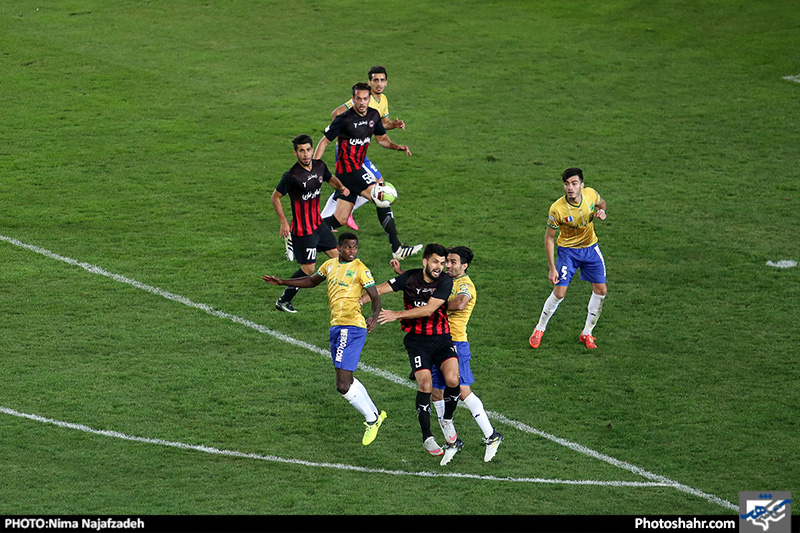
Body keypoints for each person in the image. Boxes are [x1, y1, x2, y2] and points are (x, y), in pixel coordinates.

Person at [262, 232, 387, 446]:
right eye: (348, 247)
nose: (352, 251)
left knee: (342, 384)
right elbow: (311, 281)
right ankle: (375, 413)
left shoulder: (361, 269)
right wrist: (282, 281)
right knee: (347, 379)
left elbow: (375, 296)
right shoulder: (329, 265)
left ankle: (372, 419)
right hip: (337, 327)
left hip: (351, 326)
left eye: (355, 248)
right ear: (339, 248)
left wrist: (374, 317)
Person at [390, 247, 503, 462]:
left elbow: (460, 304)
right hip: (434, 340)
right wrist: (402, 274)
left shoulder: (465, 285)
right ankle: (452, 441)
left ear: (464, 266)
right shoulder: (442, 280)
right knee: (435, 392)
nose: (448, 266)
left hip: (456, 342)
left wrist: (435, 306)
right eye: (446, 262)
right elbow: (421, 288)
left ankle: (491, 435)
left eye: (453, 262)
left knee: (462, 390)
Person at [366, 244, 464, 465]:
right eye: (436, 262)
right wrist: (356, 300)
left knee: (452, 379)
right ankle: (427, 437)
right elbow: (379, 289)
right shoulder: (409, 278)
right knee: (425, 386)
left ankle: (447, 420)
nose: (440, 266)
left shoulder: (445, 281)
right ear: (425, 262)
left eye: (443, 262)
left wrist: (396, 315)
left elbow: (430, 309)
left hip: (441, 339)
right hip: (417, 342)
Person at [314, 82, 422, 261]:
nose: (362, 102)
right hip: (347, 171)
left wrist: (397, 147)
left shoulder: (374, 115)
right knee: (382, 197)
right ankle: (397, 248)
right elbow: (324, 141)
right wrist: (316, 166)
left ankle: (302, 238)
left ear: (369, 99)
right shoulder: (344, 119)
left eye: (365, 98)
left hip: (357, 168)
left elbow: (381, 139)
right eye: (358, 99)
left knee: (340, 219)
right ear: (353, 99)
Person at [529, 168, 608, 350]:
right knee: (559, 293)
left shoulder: (591, 195)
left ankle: (587, 332)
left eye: (573, 184)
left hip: (590, 249)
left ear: (582, 185)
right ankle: (539, 328)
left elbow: (602, 204)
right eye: (566, 184)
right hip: (568, 252)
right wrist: (552, 267)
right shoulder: (557, 209)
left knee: (601, 290)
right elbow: (549, 238)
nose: (570, 188)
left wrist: (602, 212)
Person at [270, 134, 350, 313]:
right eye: (301, 151)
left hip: (319, 225)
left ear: (312, 150)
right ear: (295, 153)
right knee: (308, 269)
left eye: (308, 150)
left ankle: (343, 295)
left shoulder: (320, 166)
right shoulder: (292, 176)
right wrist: (283, 222)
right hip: (303, 230)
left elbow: (330, 178)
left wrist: (340, 187)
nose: (305, 154)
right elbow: (275, 197)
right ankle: (283, 301)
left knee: (339, 258)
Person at [321, 66, 406, 232]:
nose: (379, 84)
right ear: (370, 82)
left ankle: (340, 213)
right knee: (377, 190)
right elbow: (337, 114)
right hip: (348, 151)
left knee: (375, 183)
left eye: (382, 80)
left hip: (361, 151)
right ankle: (395, 246)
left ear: (387, 82)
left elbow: (381, 125)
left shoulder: (382, 100)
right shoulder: (362, 98)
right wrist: (345, 132)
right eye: (376, 80)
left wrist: (393, 126)